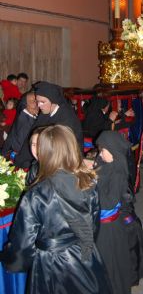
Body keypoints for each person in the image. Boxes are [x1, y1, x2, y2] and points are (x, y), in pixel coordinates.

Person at [0, 124, 112, 293]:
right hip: (85, 256)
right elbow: (94, 227)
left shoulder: (36, 195)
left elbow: (22, 246)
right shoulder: (87, 182)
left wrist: (8, 259)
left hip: (51, 265)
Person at [94, 130, 133, 294]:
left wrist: (92, 187)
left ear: (113, 150)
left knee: (111, 263)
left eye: (102, 150)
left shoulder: (118, 172)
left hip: (109, 227)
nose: (99, 153)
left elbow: (109, 202)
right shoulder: (106, 164)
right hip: (102, 225)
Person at [2, 90, 38, 164]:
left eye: (36, 100)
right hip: (20, 154)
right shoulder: (24, 118)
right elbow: (18, 141)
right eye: (32, 101)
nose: (36, 103)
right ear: (26, 104)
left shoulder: (33, 115)